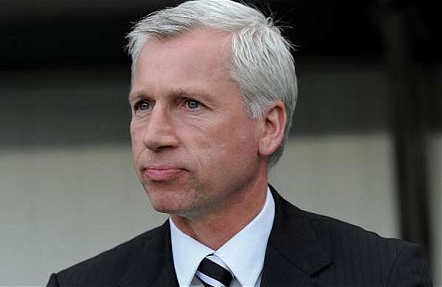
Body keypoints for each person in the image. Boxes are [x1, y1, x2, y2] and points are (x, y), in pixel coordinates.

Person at [46, 0, 432, 286]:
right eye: (143, 105)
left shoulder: (382, 274)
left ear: (268, 126)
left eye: (190, 104)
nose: (154, 135)